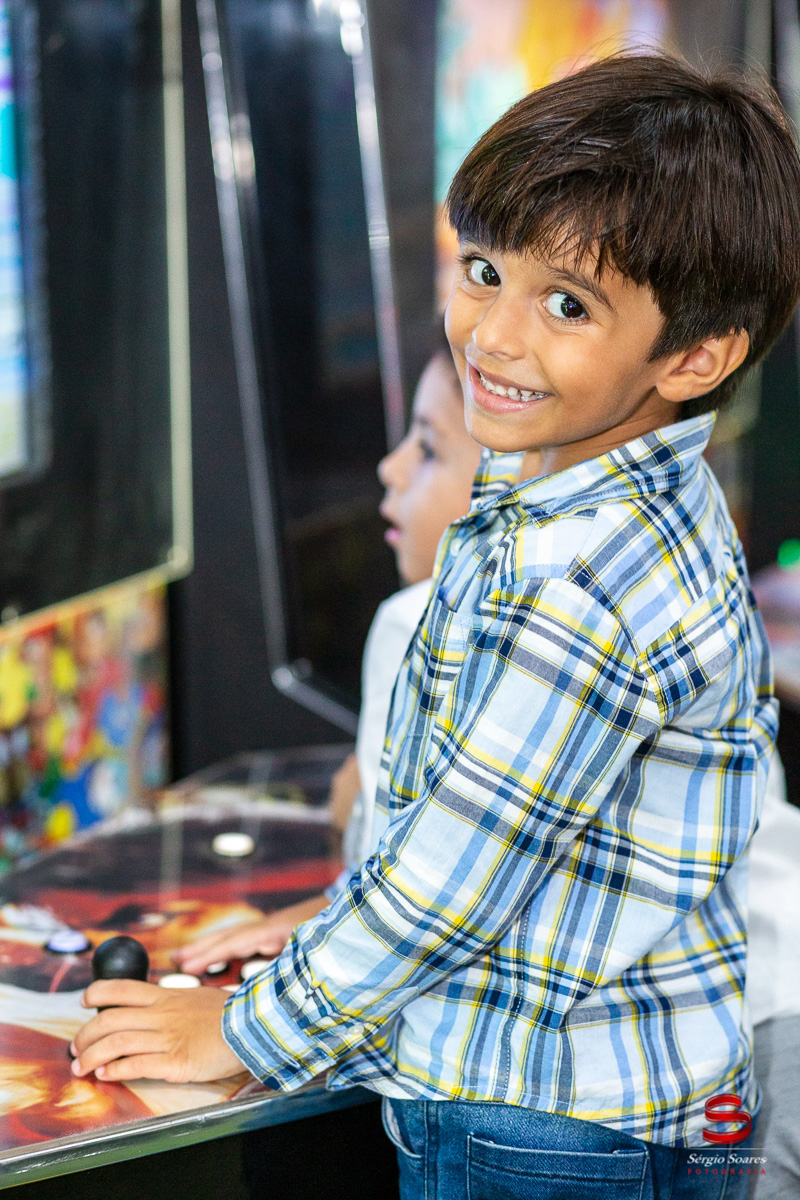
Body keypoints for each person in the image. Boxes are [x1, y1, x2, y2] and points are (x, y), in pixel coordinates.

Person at [71, 53, 800, 1198]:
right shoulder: (594, 497)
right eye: (483, 270)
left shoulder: (584, 581)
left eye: (566, 304)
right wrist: (332, 925)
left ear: (692, 356)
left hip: (545, 1127)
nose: (491, 336)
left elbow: (455, 879)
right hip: (599, 1096)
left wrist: (244, 1028)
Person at [171, 341, 484, 976]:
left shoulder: (418, 620)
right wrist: (332, 906)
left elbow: (415, 908)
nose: (391, 468)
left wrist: (232, 1024)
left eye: (428, 449)